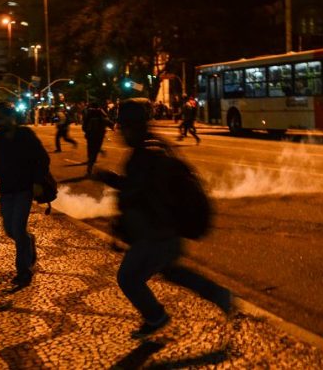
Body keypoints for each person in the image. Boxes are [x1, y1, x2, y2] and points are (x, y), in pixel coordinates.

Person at [94, 98, 229, 340]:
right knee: (171, 272)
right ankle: (217, 296)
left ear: (133, 127)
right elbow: (137, 189)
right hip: (162, 232)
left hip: (157, 233)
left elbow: (137, 193)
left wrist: (118, 207)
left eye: (122, 127)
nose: (120, 134)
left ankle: (156, 316)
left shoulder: (145, 155)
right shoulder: (153, 148)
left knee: (128, 278)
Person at [0, 102, 50, 288]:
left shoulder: (25, 134)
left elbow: (43, 158)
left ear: (11, 116)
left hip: (24, 189)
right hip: (6, 190)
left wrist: (37, 182)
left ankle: (23, 272)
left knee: (19, 229)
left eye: (1, 117)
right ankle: (30, 242)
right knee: (10, 230)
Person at [82, 102, 111, 175]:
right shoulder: (101, 112)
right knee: (96, 149)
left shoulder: (89, 112)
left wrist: (86, 131)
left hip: (90, 134)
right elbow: (107, 120)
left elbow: (85, 124)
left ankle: (90, 163)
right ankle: (93, 159)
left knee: (90, 148)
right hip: (99, 134)